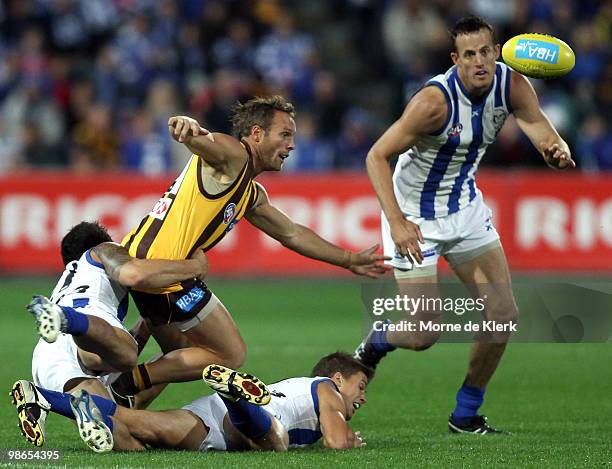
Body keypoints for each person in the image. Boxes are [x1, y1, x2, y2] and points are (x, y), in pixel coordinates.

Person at [354, 15, 574, 434]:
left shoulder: (512, 86)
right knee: (423, 333)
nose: (478, 62)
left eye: (484, 52)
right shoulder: (432, 102)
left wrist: (555, 149)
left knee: (503, 314)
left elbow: (540, 129)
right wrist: (397, 223)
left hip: (465, 206)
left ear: (496, 52)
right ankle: (376, 342)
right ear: (455, 60)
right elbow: (376, 156)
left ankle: (466, 413)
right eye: (468, 54)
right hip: (414, 214)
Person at [111, 95, 389, 401]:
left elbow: (292, 233)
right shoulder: (235, 155)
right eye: (284, 134)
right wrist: (189, 129)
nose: (292, 145)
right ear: (256, 134)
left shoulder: (250, 192)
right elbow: (206, 143)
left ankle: (124, 415)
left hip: (151, 268)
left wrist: (348, 259)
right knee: (229, 354)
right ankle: (126, 383)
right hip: (165, 273)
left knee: (179, 355)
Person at [23, 221, 209, 446]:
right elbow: (140, 274)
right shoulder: (104, 250)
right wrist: (195, 267)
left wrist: (148, 321)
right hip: (88, 318)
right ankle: (68, 319)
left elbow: (109, 347)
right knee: (128, 356)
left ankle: (43, 398)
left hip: (48, 356)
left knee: (123, 439)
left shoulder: (68, 280)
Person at [12, 352, 371, 452]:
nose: (364, 397)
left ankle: (41, 396)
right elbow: (336, 442)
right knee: (275, 442)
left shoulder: (305, 388)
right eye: (361, 385)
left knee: (135, 432)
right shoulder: (328, 389)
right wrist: (350, 440)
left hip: (213, 418)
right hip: (260, 415)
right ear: (339, 379)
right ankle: (237, 398)